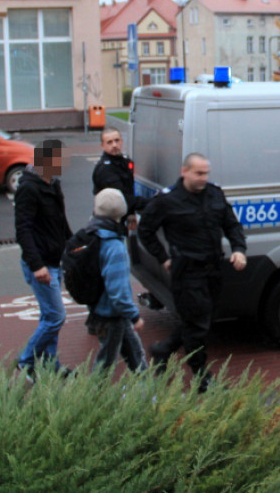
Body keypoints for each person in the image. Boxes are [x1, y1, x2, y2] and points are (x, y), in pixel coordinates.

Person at [137, 153, 246, 391]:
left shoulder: (214, 194)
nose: (203, 178)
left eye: (206, 173)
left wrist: (239, 249)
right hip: (187, 273)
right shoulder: (168, 200)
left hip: (213, 271)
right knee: (197, 327)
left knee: (198, 321)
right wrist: (163, 257)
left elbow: (231, 224)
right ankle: (201, 378)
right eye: (199, 173)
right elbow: (145, 229)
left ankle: (162, 350)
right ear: (184, 171)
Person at [14, 139, 72, 381]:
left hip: (53, 260)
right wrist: (37, 266)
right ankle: (25, 361)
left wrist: (73, 246)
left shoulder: (52, 184)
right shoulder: (29, 188)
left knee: (50, 316)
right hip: (41, 265)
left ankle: (51, 365)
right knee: (56, 316)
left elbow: (59, 223)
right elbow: (23, 230)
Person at [85, 189, 146, 373]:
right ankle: (92, 397)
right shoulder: (114, 246)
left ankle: (148, 393)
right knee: (105, 364)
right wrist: (134, 315)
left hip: (99, 309)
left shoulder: (91, 233)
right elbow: (118, 292)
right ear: (121, 212)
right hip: (112, 315)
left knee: (135, 354)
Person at [91, 128, 149, 231]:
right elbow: (122, 198)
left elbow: (128, 190)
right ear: (102, 145)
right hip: (107, 223)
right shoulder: (105, 169)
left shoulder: (123, 162)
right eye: (109, 142)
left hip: (119, 219)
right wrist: (152, 202)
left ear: (121, 141)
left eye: (117, 140)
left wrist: (130, 214)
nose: (114, 145)